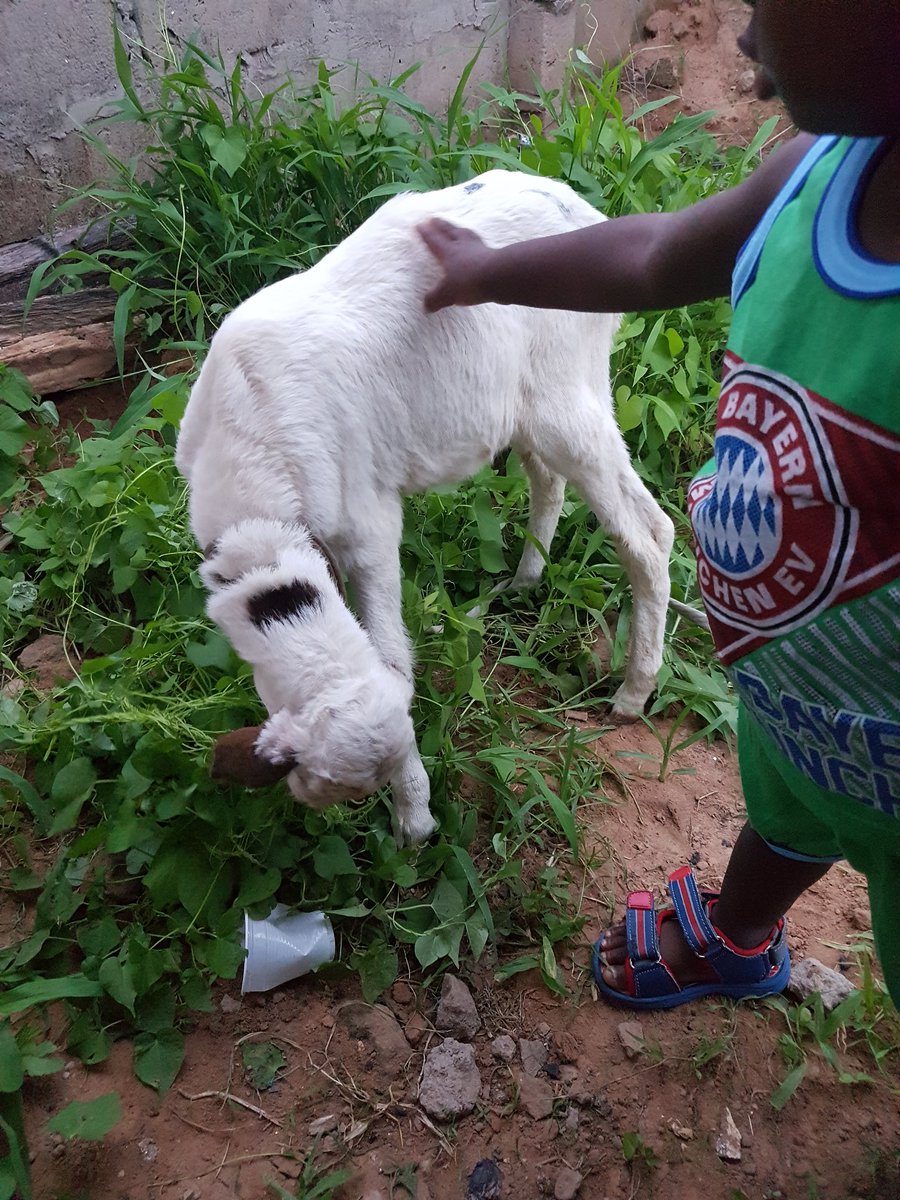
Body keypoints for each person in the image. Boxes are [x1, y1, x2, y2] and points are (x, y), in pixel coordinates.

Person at [418, 0, 900, 1008]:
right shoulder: (811, 175)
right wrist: (484, 271)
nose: (746, 40)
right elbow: (651, 255)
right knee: (785, 815)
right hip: (798, 709)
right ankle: (738, 934)